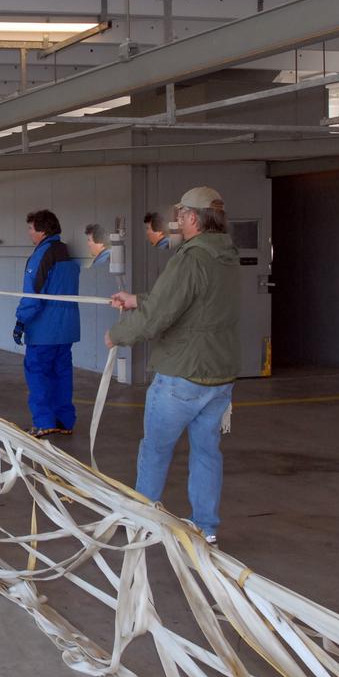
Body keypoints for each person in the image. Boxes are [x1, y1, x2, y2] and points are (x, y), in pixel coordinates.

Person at [106, 187, 240, 545]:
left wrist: (118, 335)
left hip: (182, 374)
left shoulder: (189, 258)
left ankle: (142, 519)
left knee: (156, 448)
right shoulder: (226, 255)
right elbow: (189, 301)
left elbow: (158, 317)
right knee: (207, 451)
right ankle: (205, 527)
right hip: (220, 376)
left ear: (193, 218)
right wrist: (136, 299)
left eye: (180, 215)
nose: (177, 221)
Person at [13, 210, 81, 439]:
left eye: (31, 229)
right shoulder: (66, 254)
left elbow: (33, 295)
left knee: (38, 374)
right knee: (62, 374)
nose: (29, 234)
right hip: (66, 329)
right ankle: (64, 421)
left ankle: (43, 422)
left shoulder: (41, 255)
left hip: (43, 330)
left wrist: (21, 320)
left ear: (42, 231)